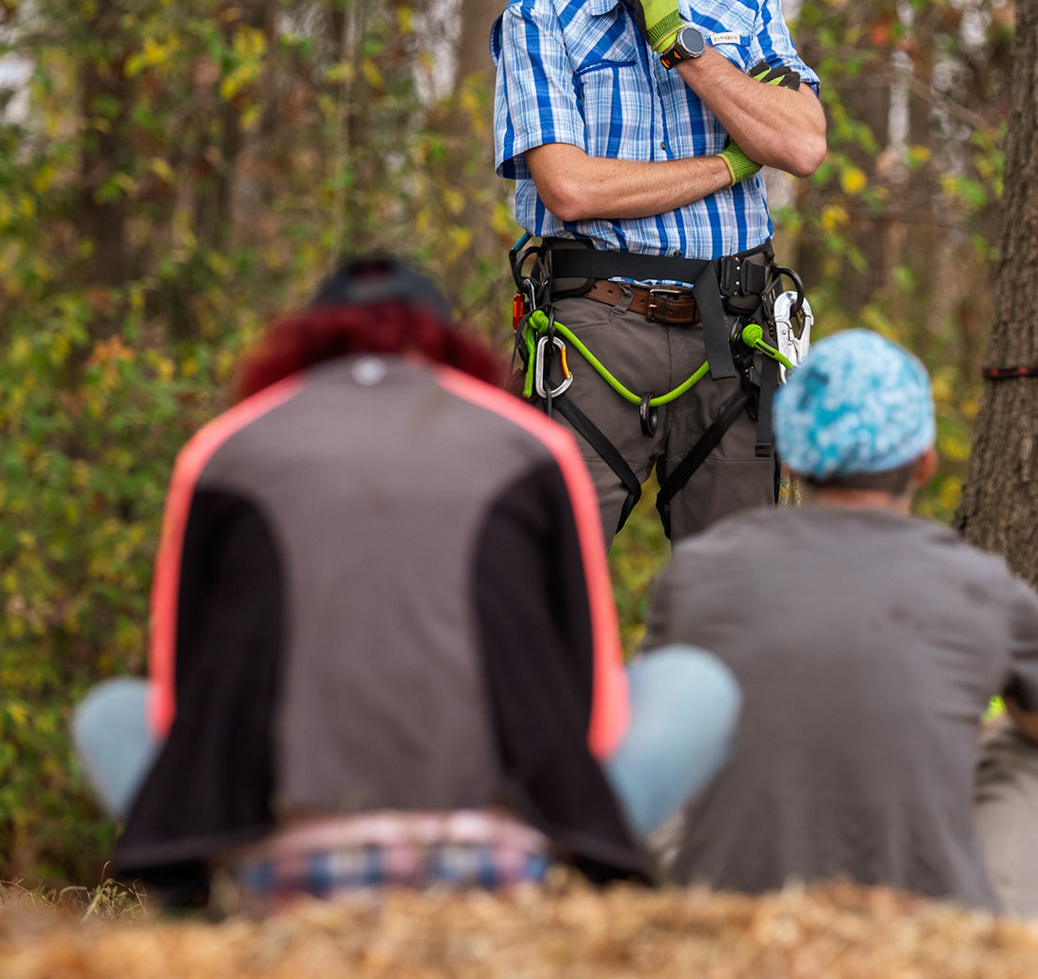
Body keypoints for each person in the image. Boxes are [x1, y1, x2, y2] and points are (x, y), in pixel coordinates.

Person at [69, 256, 741, 907]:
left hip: (280, 860)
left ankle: (215, 903)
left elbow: (178, 705)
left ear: (307, 345)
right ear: (446, 343)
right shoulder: (532, 444)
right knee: (696, 683)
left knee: (111, 713)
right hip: (502, 858)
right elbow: (592, 706)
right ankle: (569, 886)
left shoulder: (225, 448)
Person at [643, 330, 1038, 917]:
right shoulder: (979, 587)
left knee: (668, 736)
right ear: (924, 462)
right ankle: (994, 948)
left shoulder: (698, 572)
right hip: (922, 935)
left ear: (793, 460)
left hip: (734, 920)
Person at [493, 0, 827, 547]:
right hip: (595, 323)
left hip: (732, 329)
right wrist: (734, 163)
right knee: (543, 575)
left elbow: (803, 144)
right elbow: (570, 188)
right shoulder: (539, 15)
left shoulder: (742, 0)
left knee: (740, 596)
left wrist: (684, 44)